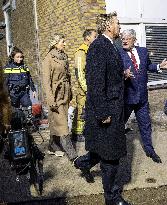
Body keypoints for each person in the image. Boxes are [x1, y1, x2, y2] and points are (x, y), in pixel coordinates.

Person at [74, 12, 131, 205]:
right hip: (107, 111)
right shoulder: (99, 46)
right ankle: (112, 198)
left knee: (102, 151)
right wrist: (103, 113)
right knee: (111, 157)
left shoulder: (110, 45)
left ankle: (82, 163)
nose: (120, 26)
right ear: (108, 26)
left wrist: (121, 75)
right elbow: (95, 84)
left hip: (113, 108)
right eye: (118, 23)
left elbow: (106, 76)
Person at [119, 29, 167, 163]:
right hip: (127, 98)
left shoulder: (143, 51)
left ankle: (150, 150)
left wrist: (159, 66)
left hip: (142, 98)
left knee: (145, 125)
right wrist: (122, 75)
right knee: (119, 125)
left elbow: (148, 66)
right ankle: (117, 151)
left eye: (127, 38)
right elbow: (113, 73)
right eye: (122, 38)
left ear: (134, 39)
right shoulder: (117, 53)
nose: (124, 40)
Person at [41, 33, 77, 161]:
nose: (65, 44)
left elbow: (68, 76)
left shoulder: (64, 56)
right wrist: (50, 100)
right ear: (55, 43)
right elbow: (46, 82)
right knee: (63, 124)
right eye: (63, 41)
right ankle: (73, 155)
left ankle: (52, 146)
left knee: (57, 122)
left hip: (65, 93)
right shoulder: (48, 59)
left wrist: (70, 92)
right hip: (55, 96)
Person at [70, 29, 97, 142]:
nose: (96, 38)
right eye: (94, 36)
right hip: (85, 90)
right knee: (82, 111)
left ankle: (86, 131)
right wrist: (87, 89)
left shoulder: (90, 50)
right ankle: (77, 134)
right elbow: (79, 73)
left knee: (88, 111)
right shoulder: (81, 53)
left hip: (92, 87)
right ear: (87, 38)